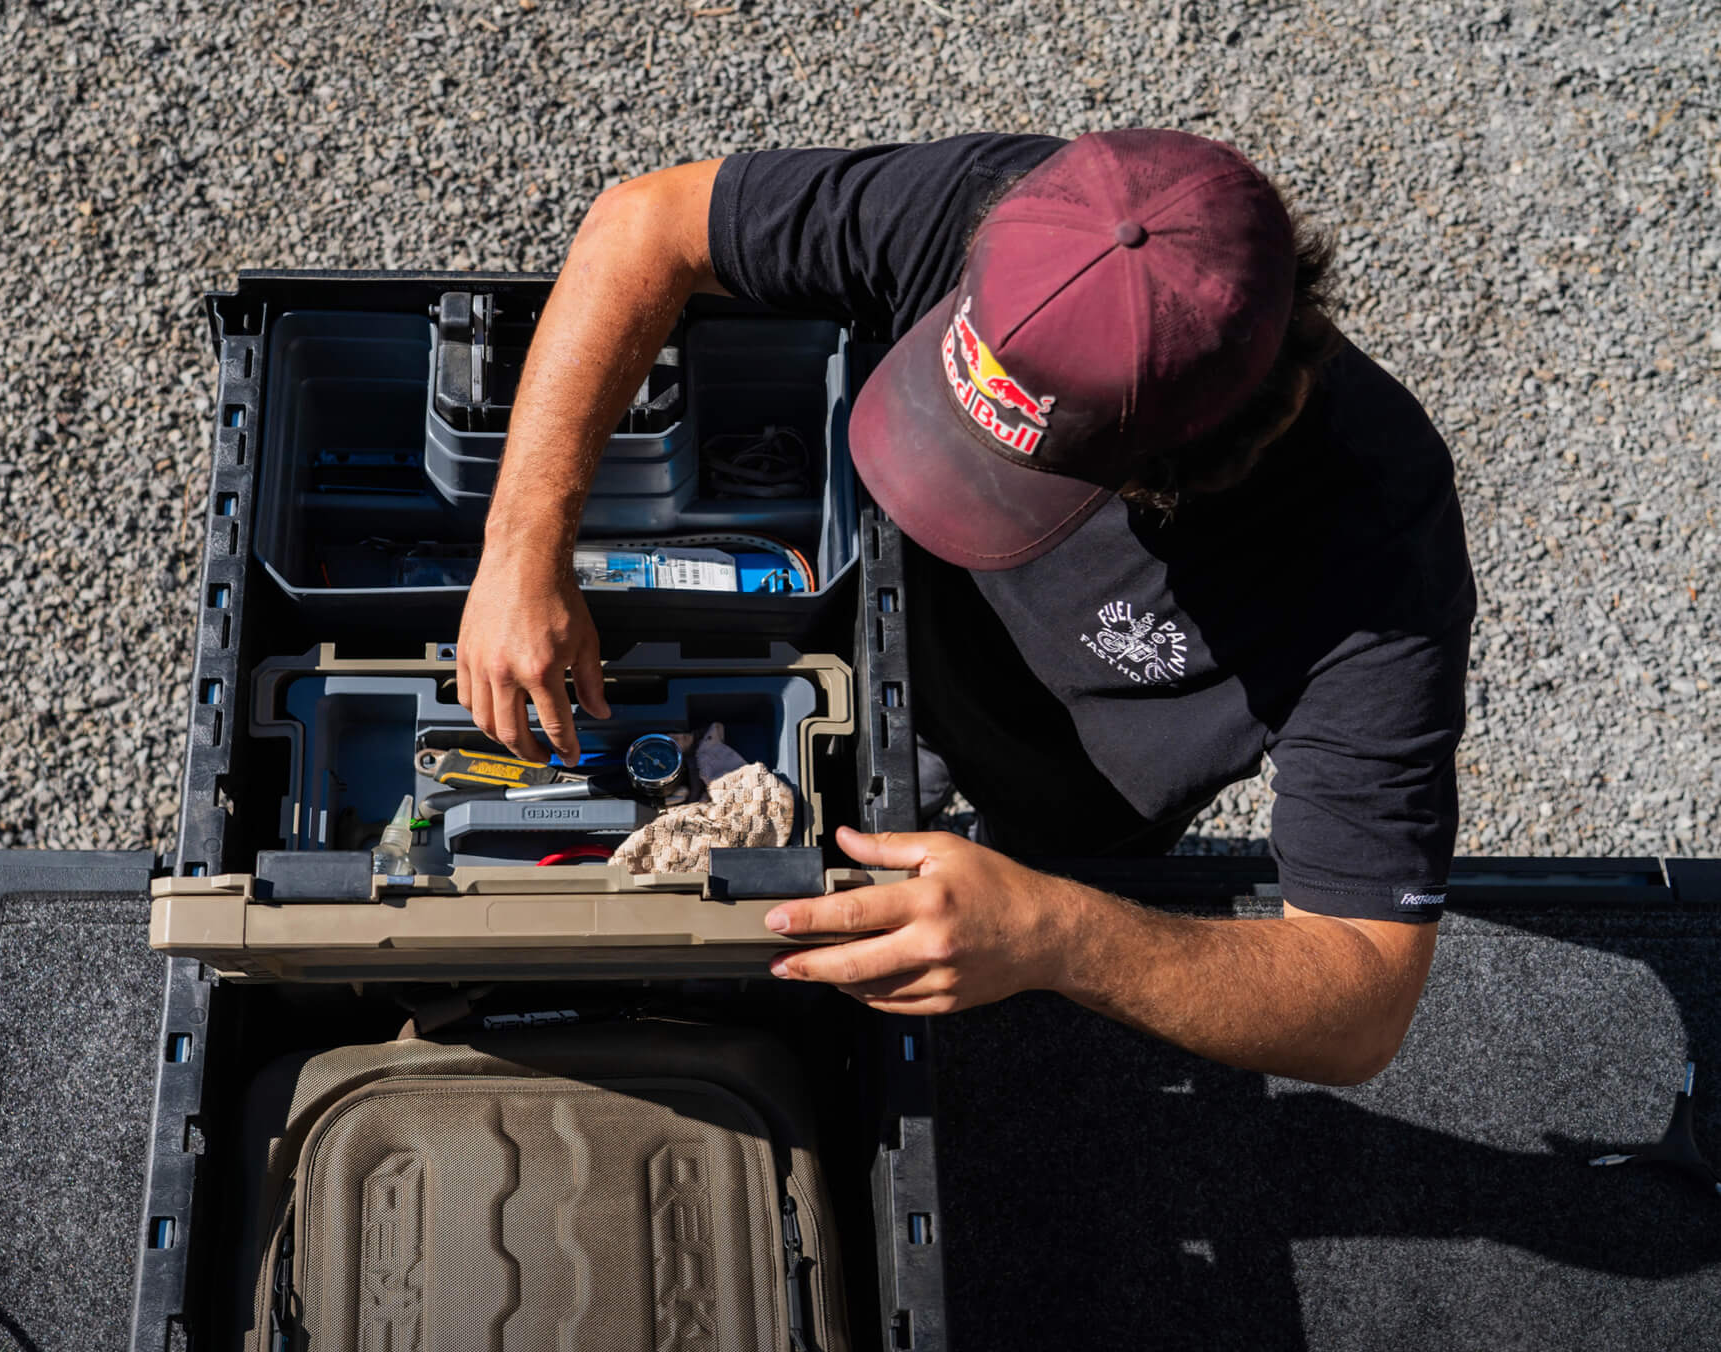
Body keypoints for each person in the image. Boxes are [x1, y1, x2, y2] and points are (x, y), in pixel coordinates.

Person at [453, 131, 1474, 1086]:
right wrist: (520, 546)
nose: (955, 489)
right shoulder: (1040, 227)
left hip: (1074, 805)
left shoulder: (1370, 547)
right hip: (897, 661)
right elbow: (647, 221)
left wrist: (1056, 932)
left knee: (1016, 987)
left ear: (1208, 461)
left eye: (1021, 475)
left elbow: (1361, 996)